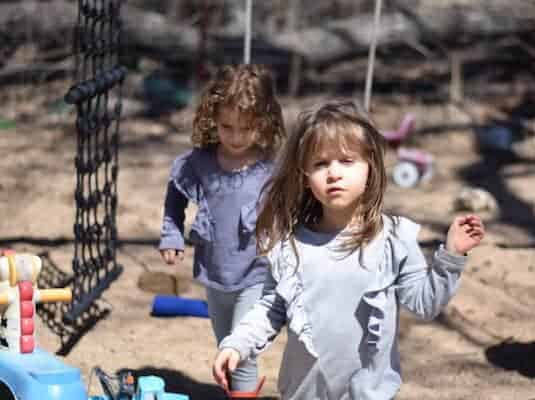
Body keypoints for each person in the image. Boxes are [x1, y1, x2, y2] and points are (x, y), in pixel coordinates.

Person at [212, 100, 485, 400]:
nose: (333, 173)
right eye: (320, 163)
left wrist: (451, 255)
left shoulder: (395, 240)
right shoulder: (292, 247)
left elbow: (425, 303)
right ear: (305, 176)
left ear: (371, 167)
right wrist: (236, 343)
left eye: (346, 160)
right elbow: (271, 309)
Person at [158, 64, 285, 398]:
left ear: (264, 121)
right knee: (225, 345)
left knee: (242, 352)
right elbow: (174, 199)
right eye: (227, 126)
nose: (236, 136)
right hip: (215, 273)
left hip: (256, 274)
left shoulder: (272, 168)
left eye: (246, 128)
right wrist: (171, 235)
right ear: (212, 118)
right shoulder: (198, 163)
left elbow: (294, 211)